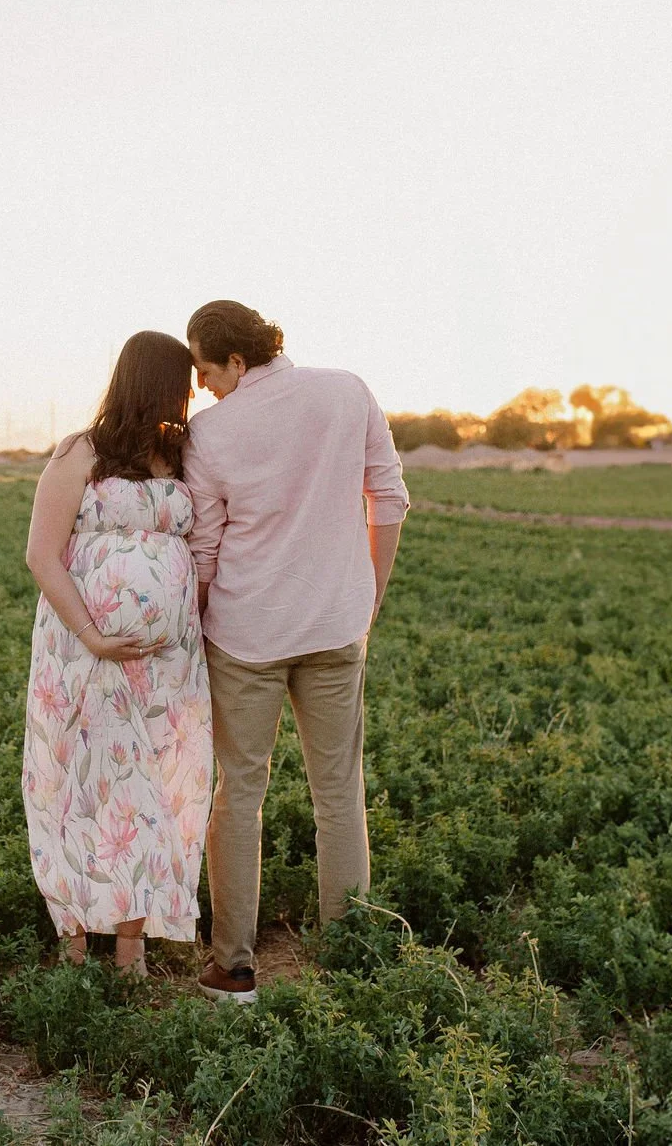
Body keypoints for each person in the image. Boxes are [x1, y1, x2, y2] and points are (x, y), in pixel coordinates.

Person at [182, 300, 408, 1005]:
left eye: (205, 369)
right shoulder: (349, 390)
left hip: (246, 634)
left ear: (237, 362)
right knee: (339, 791)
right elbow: (391, 499)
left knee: (239, 792)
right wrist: (367, 596)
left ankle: (233, 967)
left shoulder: (210, 432)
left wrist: (199, 614)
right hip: (336, 625)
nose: (201, 385)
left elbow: (208, 547)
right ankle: (349, 956)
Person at [22, 331, 215, 975]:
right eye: (180, 383)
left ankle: (130, 945)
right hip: (85, 655)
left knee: (151, 789)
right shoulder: (81, 452)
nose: (188, 395)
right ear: (151, 382)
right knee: (84, 786)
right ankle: (75, 941)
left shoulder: (177, 452)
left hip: (166, 664)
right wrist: (93, 635)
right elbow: (42, 556)